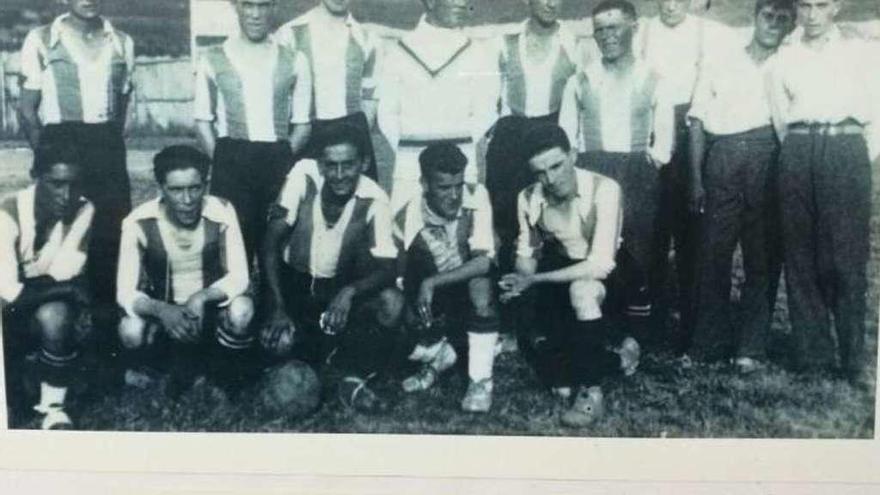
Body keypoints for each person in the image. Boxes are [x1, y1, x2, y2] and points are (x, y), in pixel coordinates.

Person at [766, 0, 880, 388]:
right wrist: (801, 151)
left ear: (838, 7)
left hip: (845, 151)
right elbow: (781, 115)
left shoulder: (861, 53)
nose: (812, 14)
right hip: (798, 150)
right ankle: (812, 356)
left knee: (846, 260)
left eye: (821, 5)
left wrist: (858, 154)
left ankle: (853, 359)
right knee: (800, 256)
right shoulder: (785, 57)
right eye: (805, 6)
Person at [498, 123, 638, 427]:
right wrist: (518, 282)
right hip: (559, 273)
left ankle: (592, 393)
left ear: (573, 155)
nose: (550, 179)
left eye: (557, 166)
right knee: (560, 386)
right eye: (540, 172)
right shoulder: (528, 198)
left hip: (609, 279)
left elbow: (600, 264)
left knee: (582, 291)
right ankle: (621, 357)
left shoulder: (605, 189)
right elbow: (528, 253)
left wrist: (533, 280)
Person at [260, 123, 403, 413]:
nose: (339, 175)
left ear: (363, 163)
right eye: (331, 165)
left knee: (392, 302)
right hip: (294, 287)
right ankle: (303, 364)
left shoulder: (375, 199)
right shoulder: (303, 175)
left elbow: (388, 268)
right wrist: (277, 306)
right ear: (320, 164)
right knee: (281, 344)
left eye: (348, 165)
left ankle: (354, 375)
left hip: (336, 289)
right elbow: (270, 243)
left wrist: (349, 292)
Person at [686, 0, 795, 372]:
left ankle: (751, 347)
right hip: (724, 158)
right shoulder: (722, 60)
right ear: (755, 17)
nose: (774, 25)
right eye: (768, 16)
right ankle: (707, 342)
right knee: (713, 255)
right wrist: (697, 178)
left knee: (762, 258)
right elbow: (698, 120)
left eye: (783, 20)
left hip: (770, 156)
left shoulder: (790, 65)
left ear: (790, 26)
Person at [558, 0, 674, 346]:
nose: (607, 36)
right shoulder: (580, 79)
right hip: (594, 168)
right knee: (594, 248)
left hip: (637, 170)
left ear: (633, 28)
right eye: (600, 30)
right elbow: (567, 136)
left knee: (638, 249)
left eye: (615, 27)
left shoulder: (652, 77)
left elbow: (664, 139)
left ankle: (639, 332)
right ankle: (597, 324)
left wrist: (652, 160)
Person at [18, 0, 135, 330]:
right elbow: (27, 111)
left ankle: (106, 338)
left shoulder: (122, 42)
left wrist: (108, 146)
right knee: (57, 239)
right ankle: (49, 332)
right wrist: (47, 161)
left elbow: (122, 105)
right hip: (61, 145)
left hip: (107, 147)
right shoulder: (41, 39)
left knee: (111, 236)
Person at [116, 146, 255, 397]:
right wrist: (162, 310)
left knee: (243, 309)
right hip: (166, 313)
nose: (187, 199)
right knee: (130, 329)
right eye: (176, 190)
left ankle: (223, 375)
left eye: (195, 188)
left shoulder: (221, 211)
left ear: (206, 184)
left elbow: (240, 276)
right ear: (160, 188)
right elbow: (125, 291)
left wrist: (202, 297)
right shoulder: (138, 222)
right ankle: (155, 369)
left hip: (210, 311)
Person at [636, 0, 730, 355]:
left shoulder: (710, 34)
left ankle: (693, 329)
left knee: (693, 235)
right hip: (650, 133)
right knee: (650, 235)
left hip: (692, 132)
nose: (671, 5)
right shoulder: (642, 31)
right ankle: (649, 324)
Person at [486, 0, 578, 351]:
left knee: (551, 227)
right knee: (510, 227)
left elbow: (576, 103)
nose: (552, 3)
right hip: (510, 141)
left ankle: (548, 320)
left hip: (552, 137)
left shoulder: (573, 43)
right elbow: (489, 102)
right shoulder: (505, 42)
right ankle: (510, 324)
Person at [194, 0, 313, 265]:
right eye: (248, 5)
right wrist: (225, 160)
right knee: (232, 251)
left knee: (276, 247)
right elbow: (202, 122)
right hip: (232, 159)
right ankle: (234, 305)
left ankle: (276, 306)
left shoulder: (294, 59)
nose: (256, 14)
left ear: (274, 8)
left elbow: (303, 124)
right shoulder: (213, 57)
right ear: (236, 6)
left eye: (264, 5)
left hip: (277, 158)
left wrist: (281, 160)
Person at [392, 143, 499, 413]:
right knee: (404, 332)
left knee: (480, 286)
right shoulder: (405, 218)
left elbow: (484, 262)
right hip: (434, 300)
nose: (454, 196)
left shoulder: (477, 196)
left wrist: (433, 283)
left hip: (468, 284)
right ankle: (443, 354)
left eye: (458, 185)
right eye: (444, 187)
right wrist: (415, 307)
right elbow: (400, 279)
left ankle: (480, 382)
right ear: (424, 184)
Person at [1, 144, 94, 429]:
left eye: (74, 185)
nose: (66, 195)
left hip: (32, 301)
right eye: (56, 184)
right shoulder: (7, 213)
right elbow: (7, 291)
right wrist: (67, 289)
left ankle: (53, 407)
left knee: (56, 313)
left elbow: (63, 275)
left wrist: (62, 289)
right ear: (35, 176)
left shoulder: (83, 209)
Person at [377, 0, 499, 210]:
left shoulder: (479, 52)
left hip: (460, 166)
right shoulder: (398, 52)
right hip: (410, 168)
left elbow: (487, 111)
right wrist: (412, 148)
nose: (462, 4)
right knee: (408, 236)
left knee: (461, 235)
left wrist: (453, 147)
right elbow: (386, 114)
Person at [276, 0, 380, 181]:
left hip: (351, 136)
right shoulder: (291, 33)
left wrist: (355, 140)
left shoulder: (366, 37)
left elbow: (369, 99)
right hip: (305, 137)